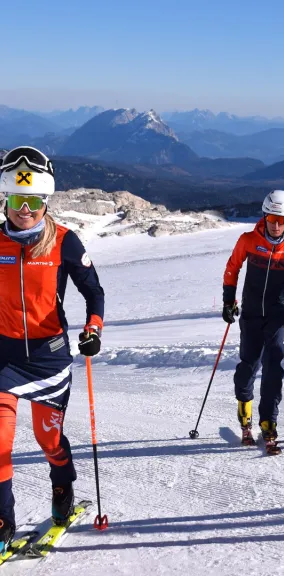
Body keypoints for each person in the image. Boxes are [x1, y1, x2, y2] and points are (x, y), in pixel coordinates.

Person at [0, 147, 105, 551]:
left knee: (50, 442)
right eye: (15, 200)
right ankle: (2, 521)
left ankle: (62, 487)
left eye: (33, 201)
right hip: (3, 360)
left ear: (45, 201)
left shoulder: (64, 241)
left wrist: (93, 328)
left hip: (49, 358)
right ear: (5, 200)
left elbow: (93, 292)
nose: (24, 209)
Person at [222, 190, 284, 451]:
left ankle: (268, 423)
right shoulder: (248, 240)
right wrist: (228, 300)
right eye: (272, 219)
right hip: (252, 315)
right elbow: (233, 267)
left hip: (279, 316)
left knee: (273, 366)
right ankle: (245, 416)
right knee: (247, 368)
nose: (276, 225)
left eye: (282, 220)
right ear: (264, 217)